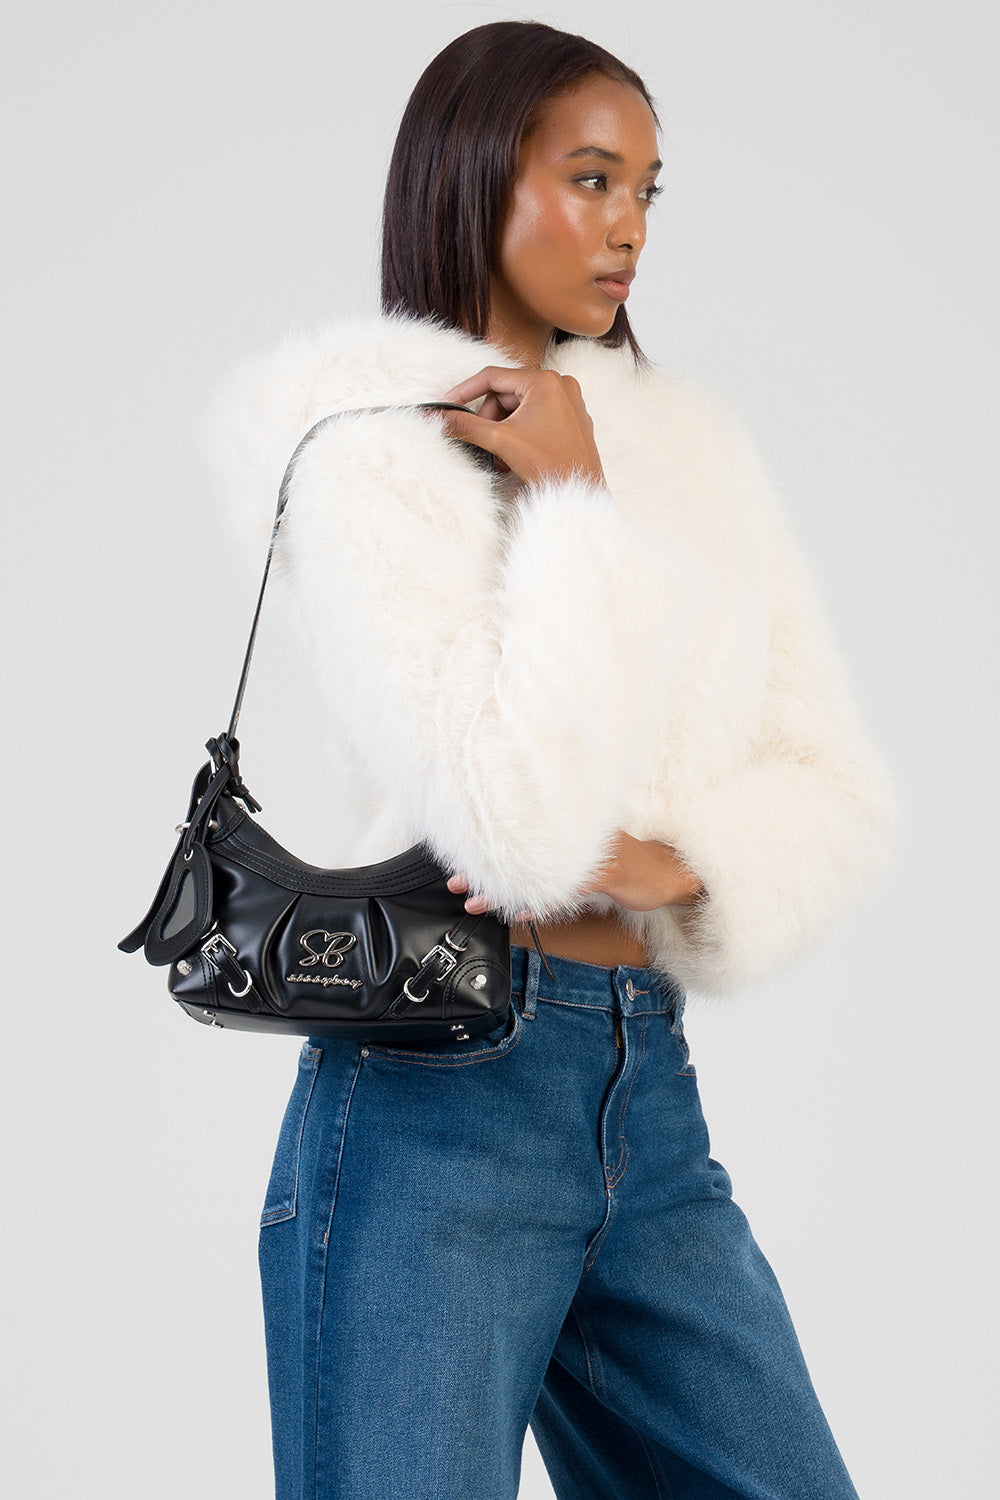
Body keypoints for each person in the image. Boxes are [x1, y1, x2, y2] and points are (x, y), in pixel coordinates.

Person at [207, 20, 894, 1500]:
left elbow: (833, 786)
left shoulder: (692, 448)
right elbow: (511, 823)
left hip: (647, 1099)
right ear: (472, 175)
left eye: (649, 188)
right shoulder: (364, 445)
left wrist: (681, 860)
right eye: (592, 180)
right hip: (436, 1110)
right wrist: (573, 499)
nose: (630, 226)